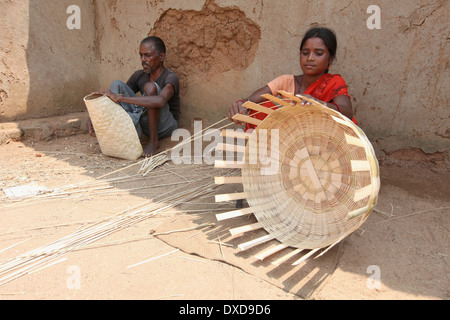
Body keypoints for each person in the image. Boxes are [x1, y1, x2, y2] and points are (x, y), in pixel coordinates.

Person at [228, 27, 356, 130]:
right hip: (291, 143)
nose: (310, 58)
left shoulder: (334, 82)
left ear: (331, 58)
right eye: (305, 53)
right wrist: (241, 105)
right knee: (259, 108)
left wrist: (320, 105)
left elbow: (347, 113)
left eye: (318, 53)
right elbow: (252, 101)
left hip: (322, 143)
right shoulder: (286, 81)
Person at [88, 36, 180, 157]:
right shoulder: (139, 75)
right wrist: (95, 116)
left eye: (148, 55)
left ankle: (153, 142)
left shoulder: (170, 77)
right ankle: (122, 135)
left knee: (150, 87)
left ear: (161, 57)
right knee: (116, 85)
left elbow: (161, 100)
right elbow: (118, 94)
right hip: (145, 121)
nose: (143, 59)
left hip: (165, 126)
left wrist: (119, 98)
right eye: (141, 55)